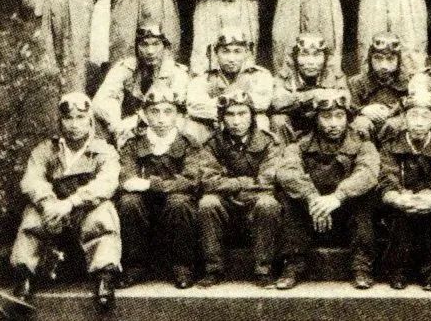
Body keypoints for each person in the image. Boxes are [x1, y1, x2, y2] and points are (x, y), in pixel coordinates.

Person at [10, 93, 120, 310]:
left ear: (90, 120)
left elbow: (107, 183)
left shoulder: (103, 151)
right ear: (60, 121)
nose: (74, 125)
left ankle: (104, 278)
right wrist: (48, 203)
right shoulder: (46, 149)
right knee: (32, 215)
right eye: (68, 118)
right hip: (53, 213)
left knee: (104, 212)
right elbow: (32, 179)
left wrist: (71, 202)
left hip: (84, 211)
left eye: (80, 118)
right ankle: (24, 276)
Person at [274, 90, 379, 290]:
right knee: (289, 198)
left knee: (365, 198)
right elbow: (287, 172)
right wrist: (312, 197)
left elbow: (368, 173)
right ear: (316, 119)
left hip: (345, 216)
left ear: (347, 118)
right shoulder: (300, 145)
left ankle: (361, 266)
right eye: (326, 116)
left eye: (339, 116)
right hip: (311, 215)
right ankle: (293, 264)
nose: (333, 123)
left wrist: (338, 197)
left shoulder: (363, 145)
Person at [116, 86, 201, 290]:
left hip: (175, 206)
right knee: (129, 202)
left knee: (180, 202)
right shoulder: (133, 143)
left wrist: (151, 184)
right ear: (144, 114)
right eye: (154, 112)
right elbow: (126, 178)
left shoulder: (188, 143)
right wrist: (159, 185)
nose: (161, 119)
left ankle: (182, 266)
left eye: (168, 112)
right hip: (144, 207)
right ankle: (134, 266)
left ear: (178, 115)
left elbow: (190, 179)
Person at [196, 91, 283, 288]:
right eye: (230, 114)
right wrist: (241, 183)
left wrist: (233, 187)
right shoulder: (212, 144)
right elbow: (209, 181)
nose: (236, 121)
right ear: (222, 118)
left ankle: (264, 269)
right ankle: (213, 269)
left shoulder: (269, 141)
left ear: (252, 116)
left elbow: (268, 180)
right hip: (225, 205)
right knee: (208, 203)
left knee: (268, 204)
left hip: (255, 203)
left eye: (242, 113)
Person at [377, 92, 431, 290]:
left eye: (425, 116)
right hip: (400, 203)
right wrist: (398, 197)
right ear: (404, 118)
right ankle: (398, 271)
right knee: (400, 218)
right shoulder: (390, 146)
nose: (419, 122)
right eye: (413, 115)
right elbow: (386, 177)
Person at [92, 23, 189, 144]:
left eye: (156, 44)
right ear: (137, 47)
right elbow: (101, 100)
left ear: (164, 46)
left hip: (162, 128)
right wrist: (117, 125)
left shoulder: (176, 72)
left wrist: (134, 123)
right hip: (125, 130)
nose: (150, 51)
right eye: (144, 44)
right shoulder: (125, 68)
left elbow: (173, 111)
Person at [186, 29, 274, 143]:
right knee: (192, 126)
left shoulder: (259, 75)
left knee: (260, 120)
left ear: (246, 53)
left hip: (245, 124)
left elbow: (262, 103)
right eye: (225, 52)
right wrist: (228, 112)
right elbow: (193, 105)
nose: (231, 59)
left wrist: (222, 103)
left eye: (237, 51)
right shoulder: (205, 77)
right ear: (216, 53)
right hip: (214, 125)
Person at [271, 34, 347, 142]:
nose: (311, 62)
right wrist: (311, 95)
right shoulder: (284, 76)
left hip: (324, 126)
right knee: (278, 120)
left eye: (317, 55)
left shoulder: (335, 76)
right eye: (304, 55)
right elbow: (276, 102)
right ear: (295, 58)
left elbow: (346, 100)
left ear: (325, 58)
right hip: (295, 124)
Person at [347, 32, 412, 142]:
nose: (384, 66)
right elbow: (349, 111)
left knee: (399, 124)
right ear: (370, 59)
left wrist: (397, 113)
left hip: (394, 134)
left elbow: (413, 110)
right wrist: (363, 110)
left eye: (390, 59)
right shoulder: (357, 82)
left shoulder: (408, 82)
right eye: (378, 58)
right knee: (360, 124)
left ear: (398, 60)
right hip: (367, 133)